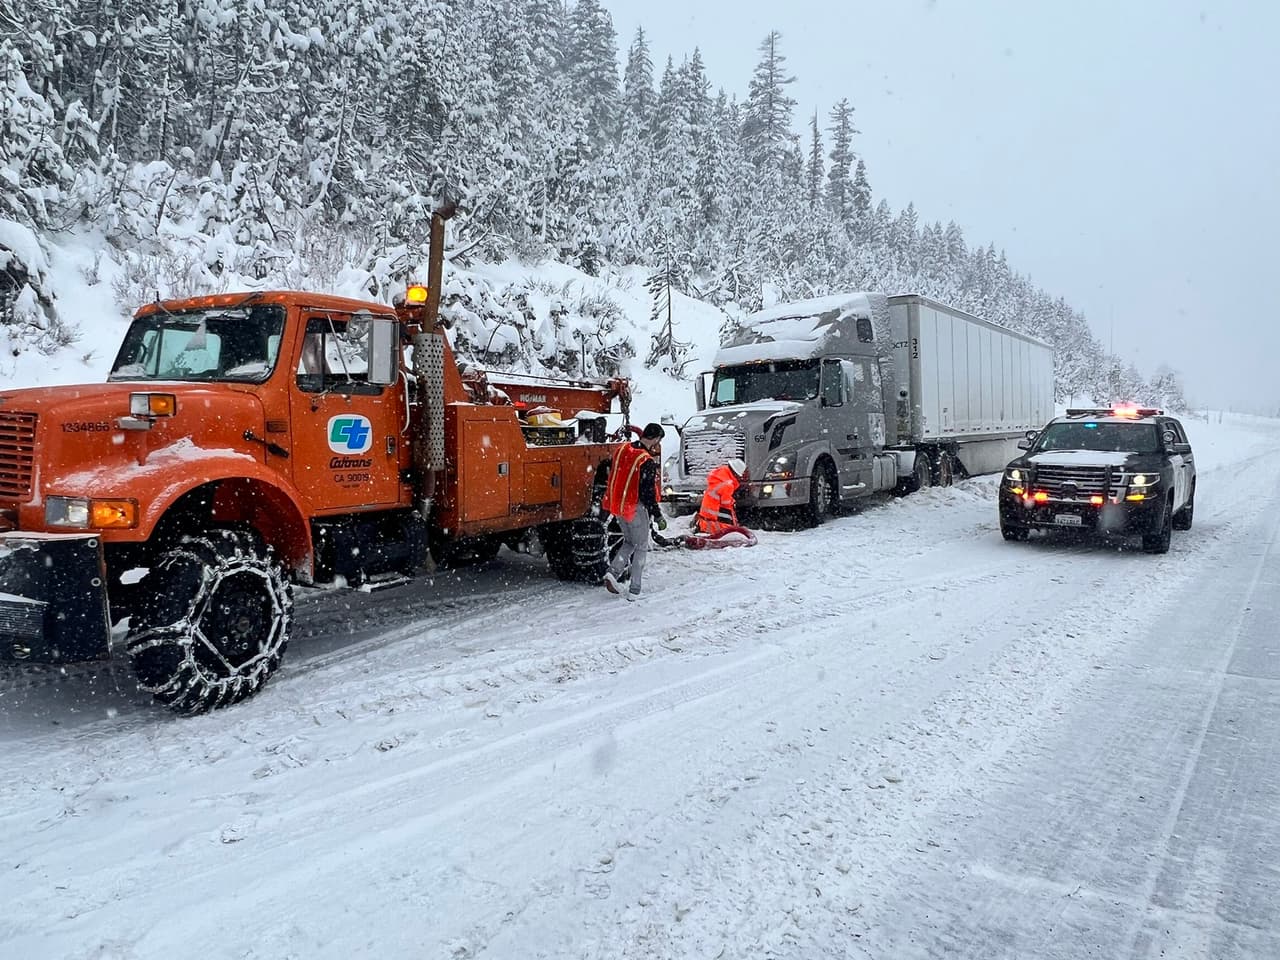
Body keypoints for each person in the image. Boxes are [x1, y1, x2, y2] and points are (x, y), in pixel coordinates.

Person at [601, 422, 667, 601]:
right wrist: (658, 514)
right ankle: (635, 590)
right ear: (655, 438)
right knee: (641, 547)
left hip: (618, 506)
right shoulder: (646, 460)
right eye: (658, 440)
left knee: (629, 542)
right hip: (634, 508)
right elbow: (647, 493)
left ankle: (613, 573)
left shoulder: (624, 449)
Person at [695, 458, 746, 537]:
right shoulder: (728, 485)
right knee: (727, 524)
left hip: (705, 516)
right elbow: (726, 503)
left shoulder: (719, 478)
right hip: (713, 519)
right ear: (735, 473)